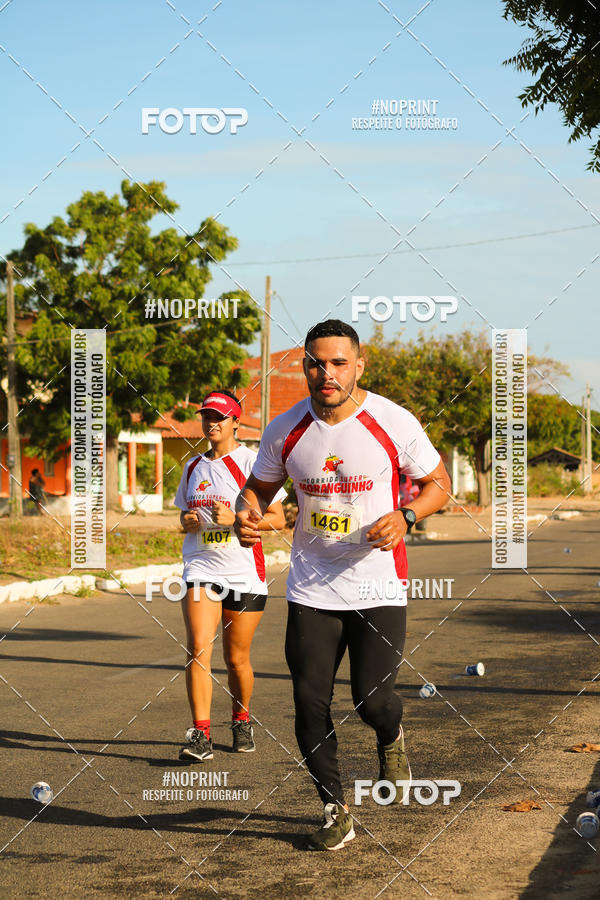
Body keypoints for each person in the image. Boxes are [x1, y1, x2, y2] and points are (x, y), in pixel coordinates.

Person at [235, 320, 451, 850]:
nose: (326, 373)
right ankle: (335, 809)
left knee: (372, 701)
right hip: (312, 587)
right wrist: (246, 515)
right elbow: (256, 491)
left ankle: (391, 738)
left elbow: (439, 484)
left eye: (337, 363)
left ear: (359, 366)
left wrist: (407, 514)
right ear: (304, 366)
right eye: (315, 362)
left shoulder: (393, 421)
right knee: (309, 702)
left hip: (378, 585)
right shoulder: (286, 429)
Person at [174, 389, 286, 761]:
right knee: (197, 650)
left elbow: (278, 519)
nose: (212, 423)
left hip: (244, 573)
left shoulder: (253, 464)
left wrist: (238, 518)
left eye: (220, 417)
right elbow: (182, 516)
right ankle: (200, 735)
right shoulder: (192, 467)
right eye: (207, 416)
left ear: (236, 421)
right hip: (200, 568)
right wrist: (186, 521)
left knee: (236, 659)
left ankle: (241, 719)